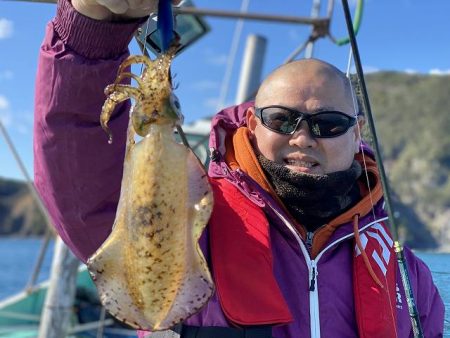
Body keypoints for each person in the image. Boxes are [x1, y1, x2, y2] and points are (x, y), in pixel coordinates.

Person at [34, 0, 445, 337]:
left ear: (356, 135)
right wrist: (95, 28)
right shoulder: (196, 221)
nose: (303, 138)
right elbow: (89, 194)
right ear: (251, 123)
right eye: (282, 120)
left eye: (329, 125)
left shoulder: (410, 278)